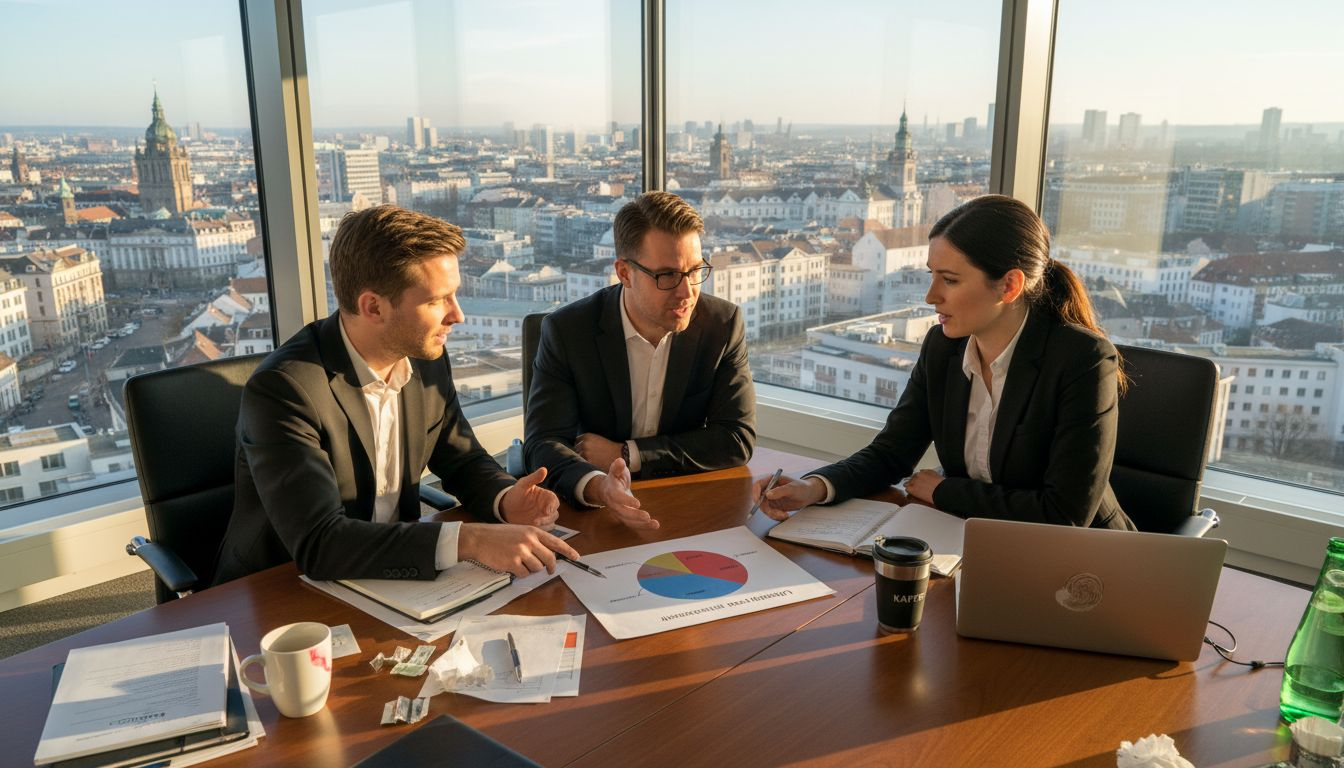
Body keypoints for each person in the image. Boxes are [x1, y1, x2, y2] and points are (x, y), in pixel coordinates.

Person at [214, 205, 580, 585]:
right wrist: (468, 540)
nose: (457, 315)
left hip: (394, 577)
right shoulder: (285, 390)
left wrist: (506, 499)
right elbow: (320, 543)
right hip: (283, 590)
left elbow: (463, 460)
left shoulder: (425, 359)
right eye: (437, 300)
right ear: (373, 306)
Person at [755, 194, 1136, 531]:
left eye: (950, 280)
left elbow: (1063, 514)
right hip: (967, 541)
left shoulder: (1082, 361)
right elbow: (892, 453)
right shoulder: (943, 347)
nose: (930, 295)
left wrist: (945, 490)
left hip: (1080, 566)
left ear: (1009, 285)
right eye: (931, 275)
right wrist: (814, 487)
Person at [524, 191, 755, 530]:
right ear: (625, 273)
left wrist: (629, 455)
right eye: (667, 276)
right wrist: (598, 486)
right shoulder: (568, 331)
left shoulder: (721, 324)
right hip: (591, 512)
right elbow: (542, 443)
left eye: (695, 271)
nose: (687, 291)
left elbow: (737, 438)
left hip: (684, 500)